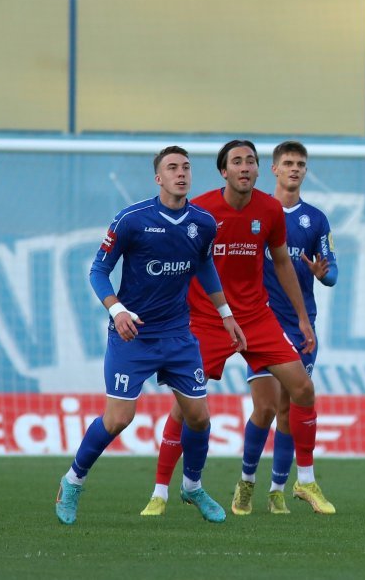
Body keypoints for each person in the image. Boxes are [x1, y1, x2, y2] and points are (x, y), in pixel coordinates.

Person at [140, 139, 336, 517]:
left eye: (251, 161)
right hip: (207, 319)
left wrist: (301, 317)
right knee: (186, 409)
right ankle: (160, 491)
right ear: (223, 171)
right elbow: (179, 263)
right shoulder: (202, 211)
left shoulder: (270, 210)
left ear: (259, 170)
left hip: (256, 318)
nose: (245, 167)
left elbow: (281, 263)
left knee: (302, 389)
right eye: (237, 162)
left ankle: (305, 479)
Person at [56, 145, 245, 525]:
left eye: (186, 167)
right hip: (134, 335)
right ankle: (73, 480)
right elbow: (98, 270)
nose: (181, 173)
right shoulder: (131, 220)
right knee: (119, 418)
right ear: (158, 178)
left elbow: (204, 265)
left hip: (178, 334)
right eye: (172, 168)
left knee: (199, 417)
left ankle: (191, 487)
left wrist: (226, 313)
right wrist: (117, 309)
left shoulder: (203, 223)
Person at [242, 140, 338, 514]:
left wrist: (323, 273)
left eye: (300, 164)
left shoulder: (315, 220)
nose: (295, 169)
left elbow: (332, 274)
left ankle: (279, 489)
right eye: (288, 163)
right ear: (274, 169)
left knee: (289, 405)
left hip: (301, 324)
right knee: (264, 408)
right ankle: (246, 481)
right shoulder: (258, 212)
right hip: (259, 323)